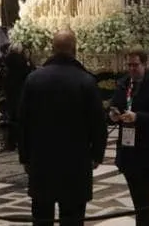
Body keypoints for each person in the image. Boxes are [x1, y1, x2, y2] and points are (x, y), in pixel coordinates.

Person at [18, 29, 107, 225]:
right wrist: (96, 155)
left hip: (41, 161)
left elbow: (23, 121)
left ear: (52, 49)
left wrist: (24, 156)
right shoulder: (86, 81)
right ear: (75, 49)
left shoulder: (34, 79)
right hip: (76, 163)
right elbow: (98, 123)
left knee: (41, 218)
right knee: (73, 219)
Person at [110, 51, 149, 226]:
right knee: (136, 194)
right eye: (130, 65)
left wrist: (137, 117)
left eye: (136, 65)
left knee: (144, 195)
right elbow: (115, 105)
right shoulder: (124, 84)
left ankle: (144, 223)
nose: (132, 69)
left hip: (146, 147)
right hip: (127, 147)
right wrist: (112, 114)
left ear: (144, 65)